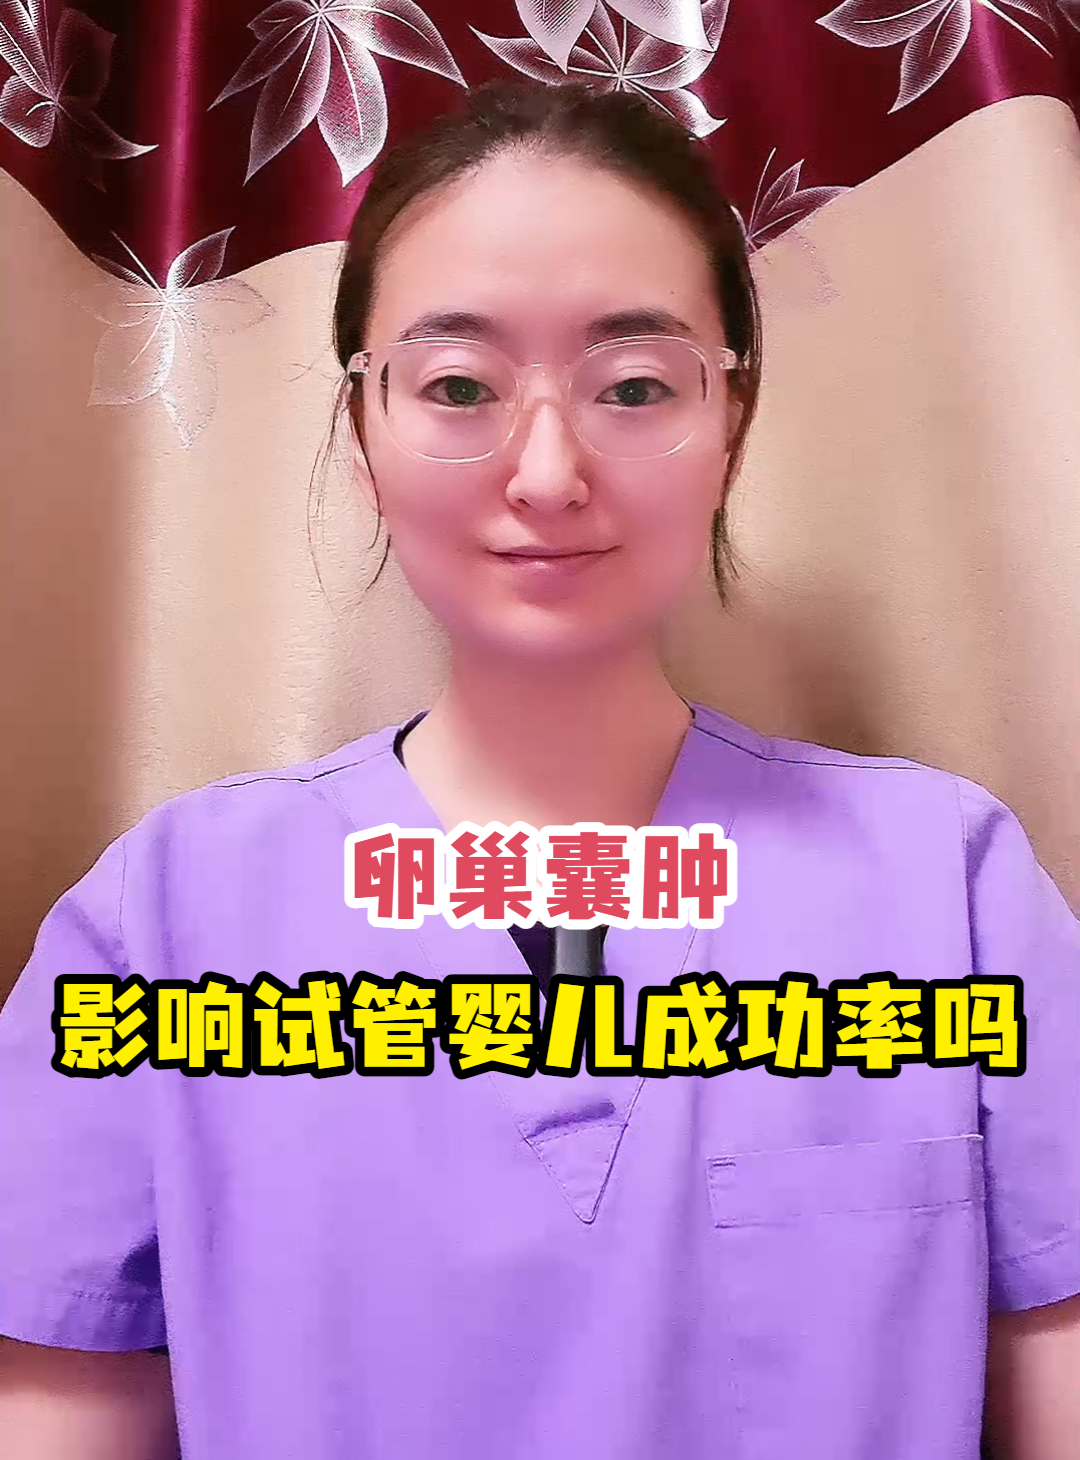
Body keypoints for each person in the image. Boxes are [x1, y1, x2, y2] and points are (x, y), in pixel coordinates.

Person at [0, 79, 1077, 1460]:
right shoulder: (161, 924)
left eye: (635, 386)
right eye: (459, 387)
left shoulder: (952, 892)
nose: (550, 471)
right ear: (364, 431)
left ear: (733, 420)